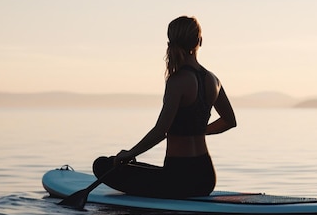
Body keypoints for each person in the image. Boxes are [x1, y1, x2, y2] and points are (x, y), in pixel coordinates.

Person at [92, 16, 237, 198]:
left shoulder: (177, 81)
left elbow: (161, 131)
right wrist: (197, 131)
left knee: (102, 165)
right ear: (200, 41)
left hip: (177, 180)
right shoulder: (213, 80)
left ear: (171, 42)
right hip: (206, 178)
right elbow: (229, 121)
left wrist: (130, 153)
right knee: (132, 167)